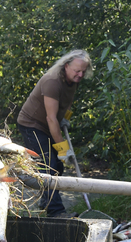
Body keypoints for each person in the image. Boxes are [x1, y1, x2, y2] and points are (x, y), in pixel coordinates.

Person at [16, 50, 93, 218]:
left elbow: (65, 104)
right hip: (32, 125)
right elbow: (51, 119)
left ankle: (46, 200)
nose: (80, 75)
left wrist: (65, 117)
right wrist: (63, 149)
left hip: (50, 124)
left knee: (58, 166)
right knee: (48, 165)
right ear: (66, 66)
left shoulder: (72, 81)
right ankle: (55, 211)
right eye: (77, 71)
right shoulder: (52, 82)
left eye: (83, 71)